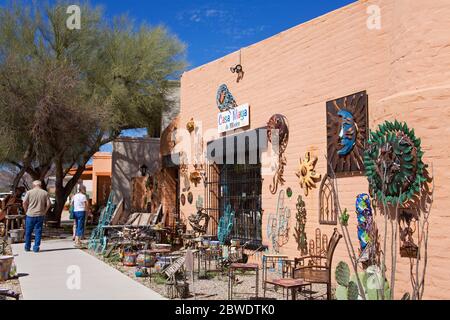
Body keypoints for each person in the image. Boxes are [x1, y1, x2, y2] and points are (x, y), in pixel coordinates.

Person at [23, 181, 51, 253]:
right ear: (40, 185)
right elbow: (48, 204)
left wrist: (26, 211)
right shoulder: (45, 193)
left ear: (33, 185)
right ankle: (36, 248)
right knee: (38, 231)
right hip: (40, 215)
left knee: (28, 232)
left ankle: (27, 247)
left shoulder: (29, 192)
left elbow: (24, 202)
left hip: (30, 214)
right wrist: (44, 212)